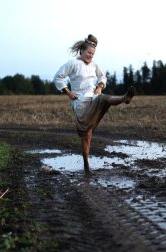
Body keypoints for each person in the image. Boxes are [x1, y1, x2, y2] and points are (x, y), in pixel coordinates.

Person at [54, 34, 135, 176]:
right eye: (88, 52)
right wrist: (68, 92)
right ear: (82, 51)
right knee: (87, 136)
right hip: (80, 104)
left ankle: (124, 98)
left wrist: (99, 86)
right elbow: (58, 77)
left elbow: (102, 76)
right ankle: (86, 165)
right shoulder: (72, 64)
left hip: (93, 98)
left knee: (103, 98)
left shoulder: (95, 65)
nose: (90, 55)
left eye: (93, 53)